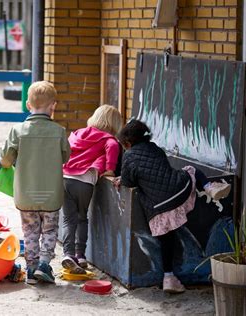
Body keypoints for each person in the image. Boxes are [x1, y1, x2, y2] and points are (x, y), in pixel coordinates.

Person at [113, 119, 231, 293]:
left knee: (166, 240)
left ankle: (167, 275)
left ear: (128, 143)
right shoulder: (156, 149)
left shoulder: (129, 156)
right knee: (193, 170)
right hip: (177, 191)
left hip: (157, 205)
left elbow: (129, 181)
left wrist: (120, 180)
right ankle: (209, 187)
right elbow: (164, 171)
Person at [0, 81, 71, 284]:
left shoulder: (18, 130)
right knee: (49, 231)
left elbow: (5, 160)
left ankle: (31, 269)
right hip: (51, 194)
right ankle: (44, 264)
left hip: (26, 194)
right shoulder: (58, 131)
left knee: (30, 231)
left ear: (28, 105)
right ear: (53, 106)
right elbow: (66, 157)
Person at [61, 105, 122, 274]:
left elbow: (68, 146)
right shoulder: (108, 138)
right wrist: (110, 169)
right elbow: (113, 146)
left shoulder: (78, 133)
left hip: (65, 178)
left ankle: (67, 253)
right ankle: (80, 255)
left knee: (68, 219)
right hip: (84, 180)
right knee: (82, 218)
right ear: (114, 123)